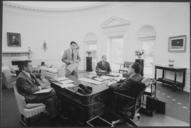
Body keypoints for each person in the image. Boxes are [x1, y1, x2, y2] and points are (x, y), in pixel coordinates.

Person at [16, 60, 59, 125]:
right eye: (30, 66)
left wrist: (42, 78)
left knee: (51, 100)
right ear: (24, 67)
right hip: (29, 98)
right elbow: (30, 90)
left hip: (35, 94)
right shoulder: (21, 78)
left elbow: (39, 74)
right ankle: (58, 110)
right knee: (53, 92)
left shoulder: (29, 73)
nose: (32, 67)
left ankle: (54, 118)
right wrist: (41, 87)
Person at [109, 62, 144, 127]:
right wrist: (121, 82)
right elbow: (126, 84)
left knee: (109, 93)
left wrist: (110, 84)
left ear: (133, 70)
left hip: (126, 100)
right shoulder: (139, 76)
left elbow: (119, 89)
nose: (128, 69)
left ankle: (110, 113)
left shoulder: (131, 80)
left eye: (129, 68)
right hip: (134, 100)